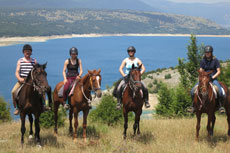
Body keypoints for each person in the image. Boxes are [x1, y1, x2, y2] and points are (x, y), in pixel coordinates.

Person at [189, 45, 225, 113]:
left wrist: (212, 77)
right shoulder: (203, 61)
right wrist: (201, 77)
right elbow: (201, 70)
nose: (207, 53)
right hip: (204, 80)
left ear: (211, 53)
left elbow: (219, 71)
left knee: (220, 91)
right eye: (206, 52)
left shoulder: (215, 60)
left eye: (209, 52)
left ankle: (220, 107)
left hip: (213, 79)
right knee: (192, 91)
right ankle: (193, 106)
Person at [11, 44, 37, 115]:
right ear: (23, 52)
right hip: (22, 80)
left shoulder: (34, 61)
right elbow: (17, 72)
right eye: (26, 51)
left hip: (32, 82)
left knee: (41, 90)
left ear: (31, 52)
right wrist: (19, 78)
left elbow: (36, 72)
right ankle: (16, 108)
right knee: (13, 92)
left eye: (29, 51)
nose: (27, 53)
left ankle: (43, 105)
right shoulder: (20, 61)